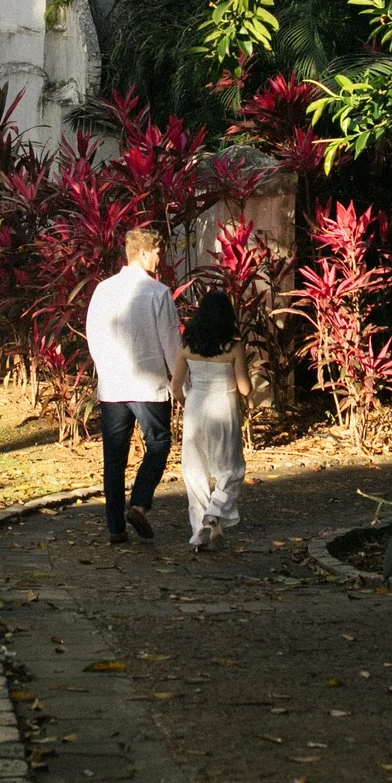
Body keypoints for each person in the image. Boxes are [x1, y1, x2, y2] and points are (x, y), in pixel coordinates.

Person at [84, 226, 183, 544]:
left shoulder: (103, 290)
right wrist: (179, 382)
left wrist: (104, 368)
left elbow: (93, 335)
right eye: (156, 252)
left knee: (114, 456)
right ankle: (139, 502)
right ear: (143, 253)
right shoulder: (158, 293)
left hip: (113, 385)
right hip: (148, 384)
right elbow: (171, 341)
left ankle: (115, 528)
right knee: (158, 443)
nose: (159, 258)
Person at [179, 287, 249, 551]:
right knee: (230, 468)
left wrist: (189, 400)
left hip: (196, 404)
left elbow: (176, 386)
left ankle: (200, 532)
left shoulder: (187, 347)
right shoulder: (233, 347)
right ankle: (215, 510)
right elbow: (245, 388)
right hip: (224, 405)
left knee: (194, 469)